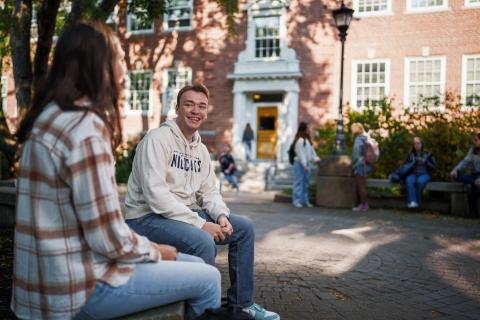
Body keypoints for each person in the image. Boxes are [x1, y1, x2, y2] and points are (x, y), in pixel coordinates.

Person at [11, 21, 220, 320]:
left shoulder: (48, 116)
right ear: (100, 65)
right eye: (120, 58)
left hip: (35, 286)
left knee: (196, 264)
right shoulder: (85, 128)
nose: (124, 66)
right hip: (74, 288)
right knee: (208, 277)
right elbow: (108, 237)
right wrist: (159, 251)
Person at [124, 84, 280, 320]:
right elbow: (157, 197)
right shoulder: (157, 140)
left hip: (183, 215)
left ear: (206, 112)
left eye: (201, 106)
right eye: (189, 104)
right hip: (145, 217)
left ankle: (242, 305)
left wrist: (221, 216)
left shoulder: (202, 151)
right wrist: (201, 225)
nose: (195, 110)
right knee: (202, 241)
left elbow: (209, 192)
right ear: (177, 108)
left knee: (244, 228)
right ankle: (204, 313)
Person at [450, 132, 480, 218]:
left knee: (470, 187)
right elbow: (465, 162)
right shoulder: (473, 150)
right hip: (474, 176)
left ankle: (473, 212)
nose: (474, 141)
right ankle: (473, 181)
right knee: (457, 175)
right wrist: (455, 170)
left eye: (476, 140)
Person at [290, 122, 319, 208]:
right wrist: (304, 165)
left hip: (307, 164)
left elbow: (312, 153)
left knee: (306, 183)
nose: (309, 130)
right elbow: (300, 154)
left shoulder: (308, 141)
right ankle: (296, 201)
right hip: (300, 164)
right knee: (299, 182)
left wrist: (317, 159)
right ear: (304, 129)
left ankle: (305, 201)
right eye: (308, 128)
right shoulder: (300, 141)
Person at [404, 137, 437, 208]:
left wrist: (426, 162)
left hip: (425, 174)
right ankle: (413, 202)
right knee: (409, 181)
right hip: (413, 174)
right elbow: (405, 166)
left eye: (418, 143)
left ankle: (417, 202)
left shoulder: (428, 154)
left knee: (420, 182)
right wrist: (412, 164)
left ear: (422, 144)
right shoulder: (410, 154)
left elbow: (434, 167)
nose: (416, 145)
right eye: (415, 144)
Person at [351, 123, 371, 212]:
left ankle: (363, 205)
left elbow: (356, 154)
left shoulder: (358, 140)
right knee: (363, 186)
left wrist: (352, 163)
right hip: (365, 165)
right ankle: (364, 205)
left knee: (361, 186)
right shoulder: (366, 138)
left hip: (359, 165)